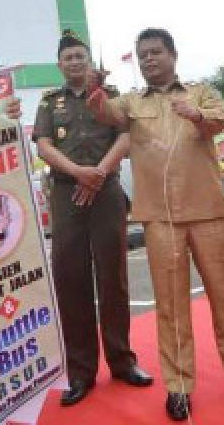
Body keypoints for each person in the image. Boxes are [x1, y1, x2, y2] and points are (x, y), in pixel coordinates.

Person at [89, 28, 224, 422]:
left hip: (207, 211)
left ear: (173, 54)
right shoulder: (131, 101)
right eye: (142, 54)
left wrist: (197, 115)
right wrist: (96, 91)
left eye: (156, 52)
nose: (149, 59)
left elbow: (218, 123)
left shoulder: (201, 91)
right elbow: (105, 113)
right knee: (170, 304)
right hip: (159, 217)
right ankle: (178, 386)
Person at [33, 31, 152, 406]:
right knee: (71, 281)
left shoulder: (112, 96)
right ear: (59, 65)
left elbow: (126, 135)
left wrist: (98, 172)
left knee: (113, 276)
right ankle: (81, 373)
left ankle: (122, 362)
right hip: (67, 193)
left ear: (89, 60)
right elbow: (43, 144)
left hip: (107, 191)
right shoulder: (50, 103)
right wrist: (77, 172)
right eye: (67, 58)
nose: (74, 63)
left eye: (79, 56)